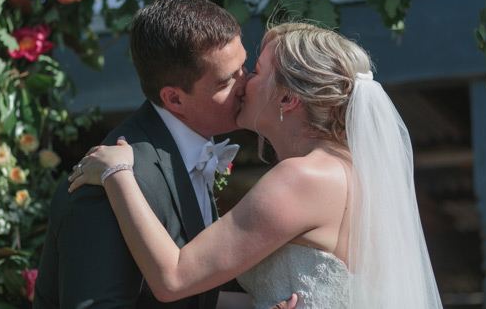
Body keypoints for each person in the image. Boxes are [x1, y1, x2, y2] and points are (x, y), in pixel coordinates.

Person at [68, 22, 445, 308]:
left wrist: (117, 174)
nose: (243, 81)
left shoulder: (302, 178)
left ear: (286, 99)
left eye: (257, 71)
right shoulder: (348, 173)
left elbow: (174, 278)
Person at [34, 0, 296, 308]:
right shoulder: (105, 183)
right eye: (227, 80)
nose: (247, 83)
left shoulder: (187, 154)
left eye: (243, 67)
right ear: (174, 100)